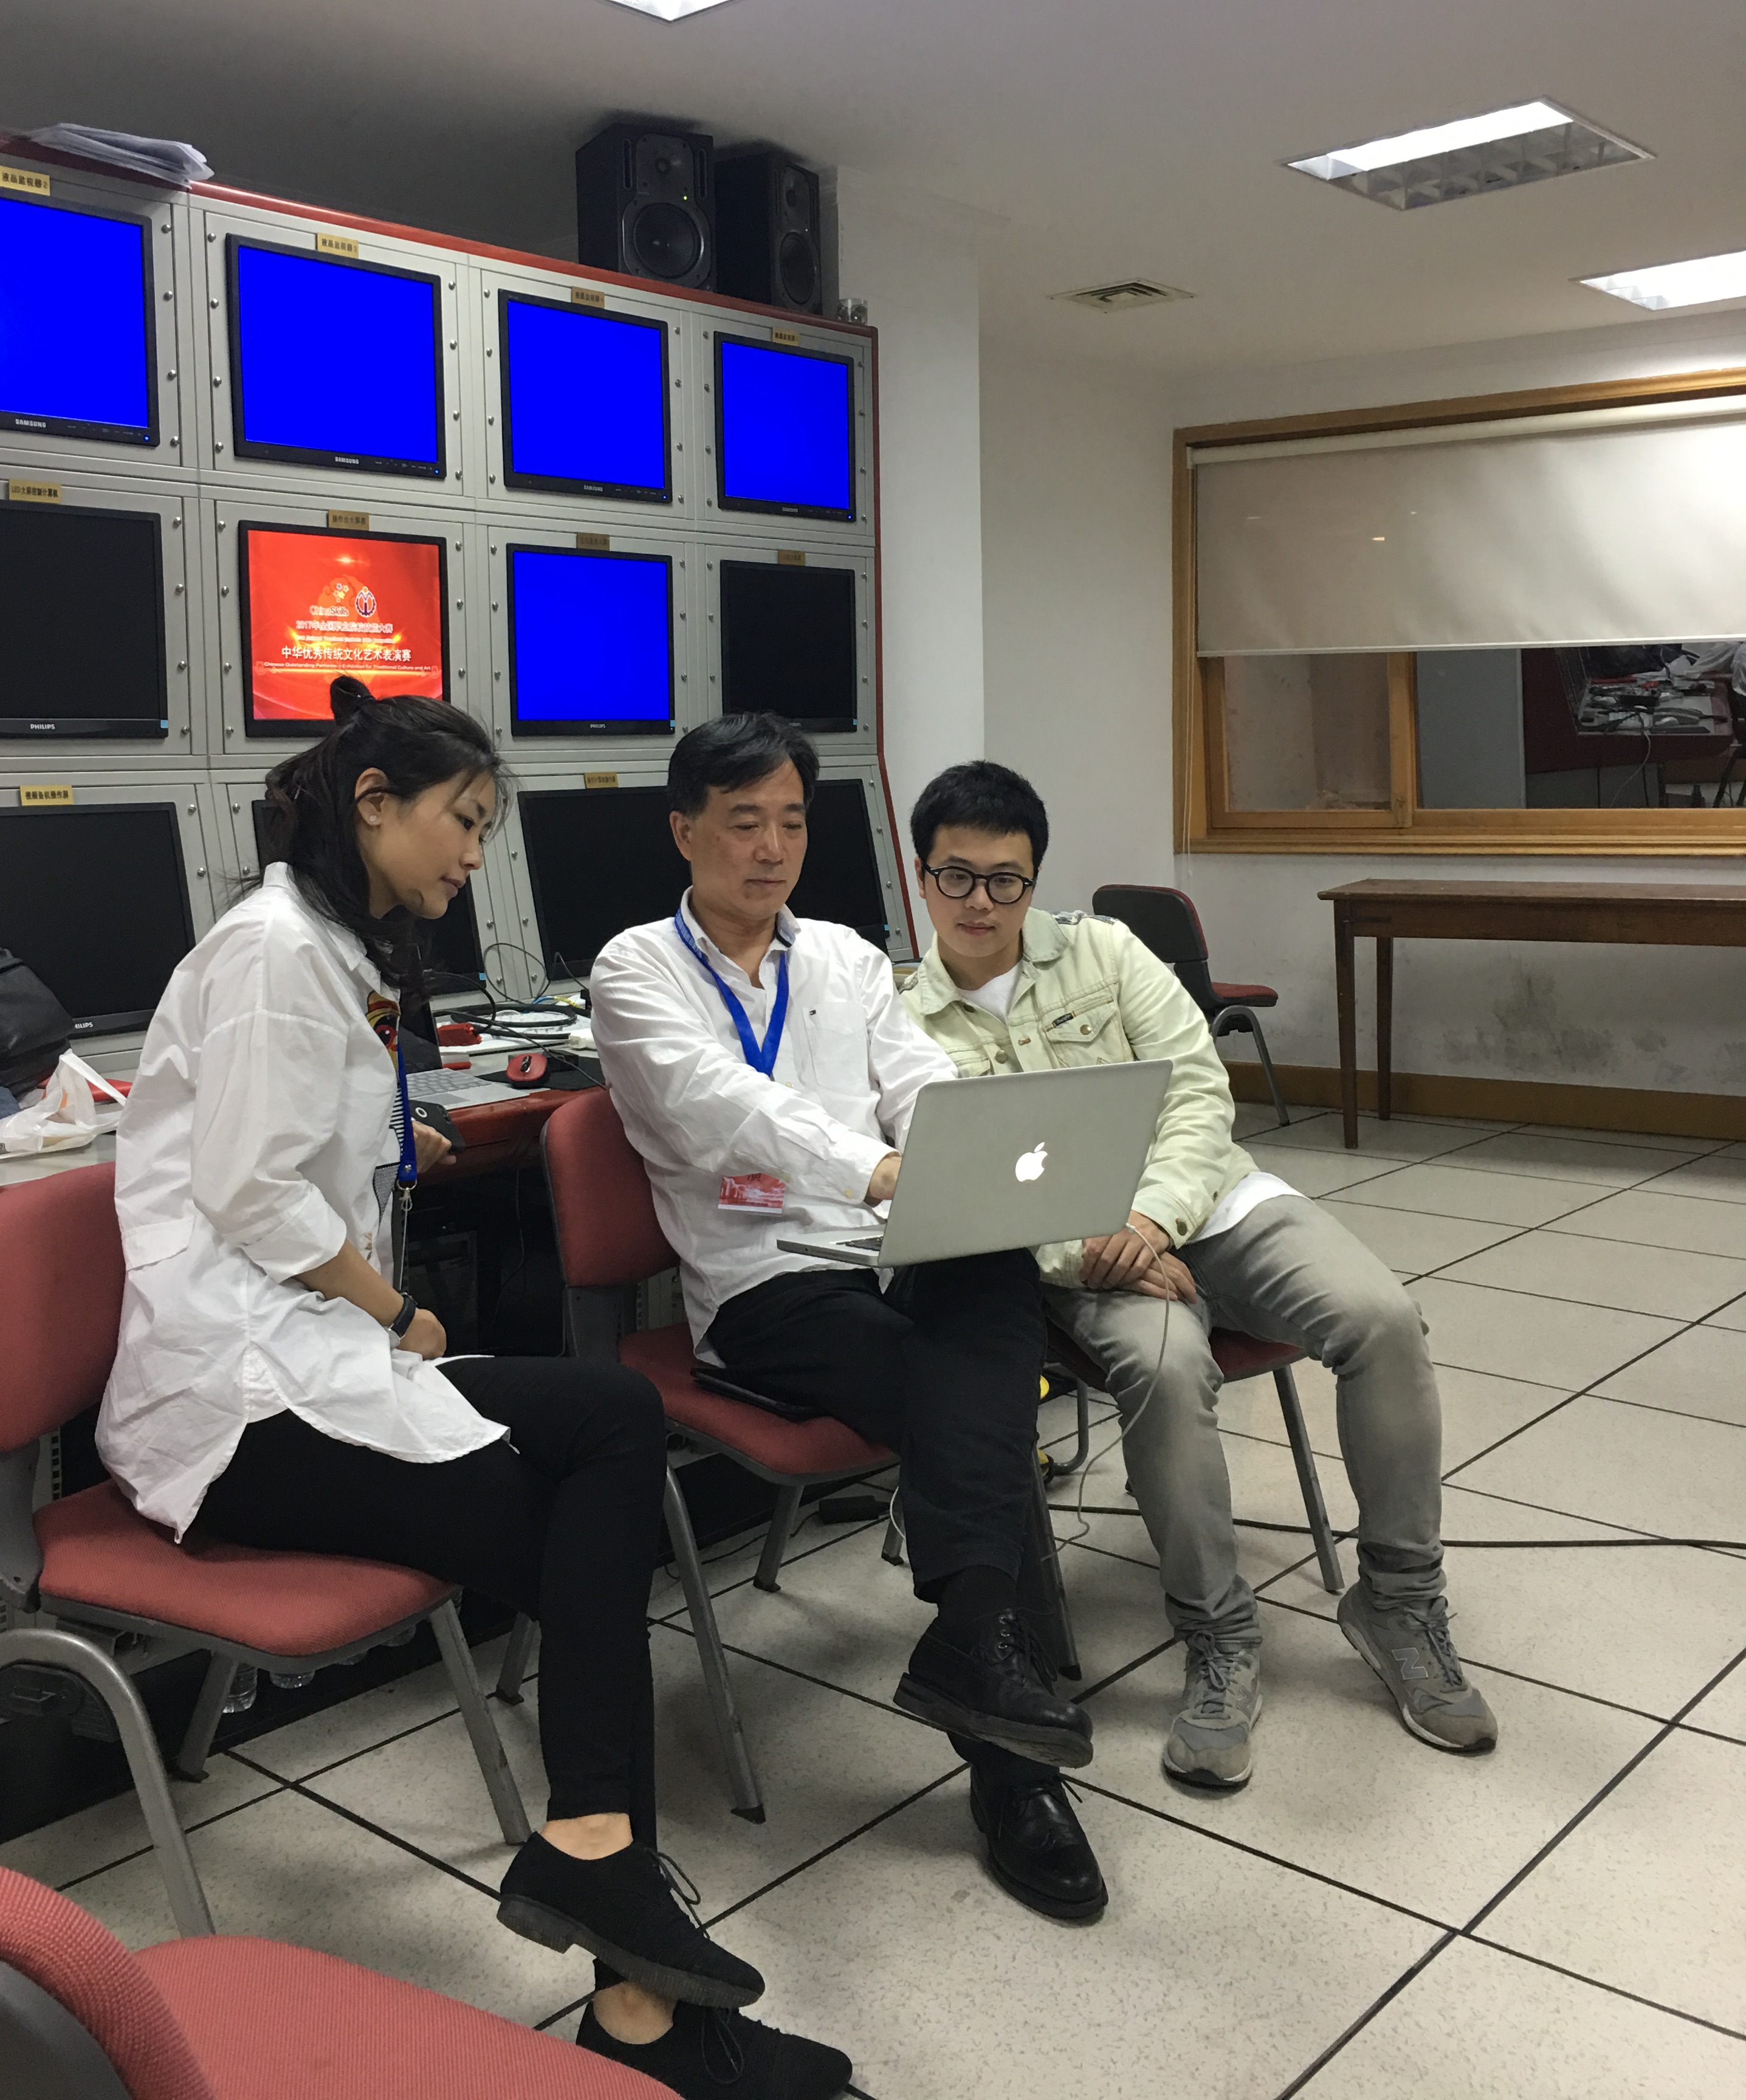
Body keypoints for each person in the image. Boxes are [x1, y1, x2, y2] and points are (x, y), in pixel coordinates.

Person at [98, 675, 850, 2100]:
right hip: (236, 1403)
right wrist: (402, 1312)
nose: (473, 855)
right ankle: (636, 1987)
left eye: (487, 827)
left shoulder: (332, 946)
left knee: (614, 1417)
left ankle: (597, 1871)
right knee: (574, 1529)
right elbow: (252, 1195)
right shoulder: (273, 952)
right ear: (373, 804)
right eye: (461, 821)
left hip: (311, 1360)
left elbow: (284, 1143)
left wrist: (397, 1147)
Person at [589, 713, 1107, 1926]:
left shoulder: (844, 956)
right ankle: (1016, 1775)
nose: (773, 849)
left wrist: (962, 1163)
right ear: (684, 832)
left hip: (890, 1248)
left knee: (993, 1285)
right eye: (743, 824)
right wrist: (872, 1170)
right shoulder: (635, 971)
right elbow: (721, 1103)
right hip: (768, 1283)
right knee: (969, 1404)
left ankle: (969, 1646)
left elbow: (916, 1081)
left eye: (792, 822)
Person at [897, 759, 1499, 1792]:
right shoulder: (905, 1023)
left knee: (1382, 1318)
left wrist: (1149, 1221)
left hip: (1207, 1204)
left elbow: (1195, 1093)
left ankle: (1399, 1603)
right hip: (1080, 1260)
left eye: (1006, 879)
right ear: (923, 877)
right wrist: (1095, 1251)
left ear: (1035, 879)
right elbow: (959, 1190)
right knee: (1170, 1372)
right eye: (957, 877)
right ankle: (1219, 1635)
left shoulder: (1105, 951)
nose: (981, 902)